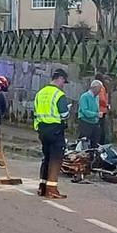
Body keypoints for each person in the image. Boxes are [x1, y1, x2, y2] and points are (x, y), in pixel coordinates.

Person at [33, 68, 71, 199]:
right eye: (63, 81)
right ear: (59, 78)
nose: (63, 85)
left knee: (46, 158)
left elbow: (35, 113)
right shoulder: (58, 94)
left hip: (42, 130)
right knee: (56, 159)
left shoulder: (40, 93)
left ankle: (42, 187)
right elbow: (64, 114)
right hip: (55, 130)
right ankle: (51, 189)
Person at [77, 80, 103, 148]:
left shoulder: (97, 97)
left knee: (95, 142)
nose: (100, 91)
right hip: (85, 122)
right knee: (84, 143)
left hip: (95, 123)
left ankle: (93, 156)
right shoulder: (84, 97)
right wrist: (96, 114)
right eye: (99, 88)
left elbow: (96, 108)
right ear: (94, 88)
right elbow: (85, 111)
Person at [97, 76, 109, 144]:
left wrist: (105, 104)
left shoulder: (100, 88)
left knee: (100, 127)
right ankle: (102, 141)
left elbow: (101, 99)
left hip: (100, 109)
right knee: (102, 127)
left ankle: (100, 142)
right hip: (103, 110)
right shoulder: (104, 87)